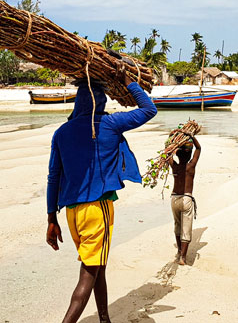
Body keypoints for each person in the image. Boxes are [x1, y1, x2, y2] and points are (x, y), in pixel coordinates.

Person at [45, 67, 157, 323]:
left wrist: (52, 218)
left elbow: (54, 177)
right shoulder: (109, 123)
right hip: (98, 211)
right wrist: (129, 82)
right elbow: (149, 110)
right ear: (101, 100)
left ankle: (104, 319)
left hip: (72, 213)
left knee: (97, 267)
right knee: (87, 274)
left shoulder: (61, 133)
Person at [170, 135, 201, 265]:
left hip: (174, 199)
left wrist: (173, 141)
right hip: (186, 199)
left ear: (178, 156)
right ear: (189, 156)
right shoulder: (191, 166)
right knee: (186, 229)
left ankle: (178, 252)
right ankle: (183, 257)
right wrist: (191, 136)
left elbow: (167, 153)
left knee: (178, 226)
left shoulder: (175, 167)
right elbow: (198, 148)